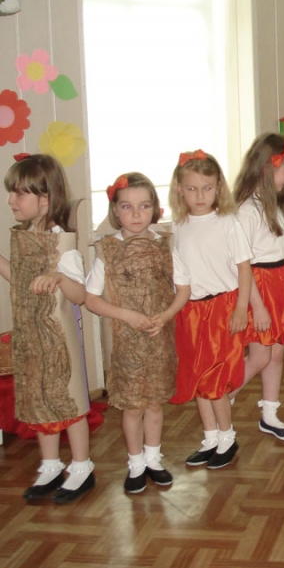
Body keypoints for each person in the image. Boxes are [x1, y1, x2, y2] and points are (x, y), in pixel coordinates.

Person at [85, 173, 190, 494]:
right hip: (127, 342)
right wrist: (127, 315)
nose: (135, 214)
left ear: (155, 209)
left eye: (144, 206)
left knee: (155, 403)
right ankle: (135, 464)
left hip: (159, 339)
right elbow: (91, 299)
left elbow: (184, 289)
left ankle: (154, 459)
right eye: (127, 206)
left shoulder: (164, 245)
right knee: (132, 406)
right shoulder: (108, 250)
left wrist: (166, 316)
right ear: (116, 210)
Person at [0, 153, 95, 504]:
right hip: (32, 336)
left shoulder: (63, 243)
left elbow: (80, 295)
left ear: (45, 199)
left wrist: (58, 277)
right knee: (40, 399)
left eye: (19, 193)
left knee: (69, 401)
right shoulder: (23, 237)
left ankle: (82, 466)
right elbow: (22, 281)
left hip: (59, 338)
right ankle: (51, 464)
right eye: (10, 192)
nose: (11, 200)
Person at [169, 150, 253, 468]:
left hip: (222, 309)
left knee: (216, 379)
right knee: (198, 378)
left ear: (218, 187)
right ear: (180, 189)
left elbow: (244, 269)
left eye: (206, 188)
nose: (200, 196)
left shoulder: (227, 223)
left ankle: (227, 437)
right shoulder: (178, 226)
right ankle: (210, 437)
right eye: (192, 189)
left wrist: (241, 308)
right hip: (190, 312)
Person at [231, 134, 284, 441]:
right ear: (266, 170)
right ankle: (223, 398)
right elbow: (242, 264)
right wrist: (257, 306)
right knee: (260, 356)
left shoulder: (271, 204)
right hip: (259, 287)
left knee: (275, 355)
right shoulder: (247, 211)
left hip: (280, 281)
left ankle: (270, 414)